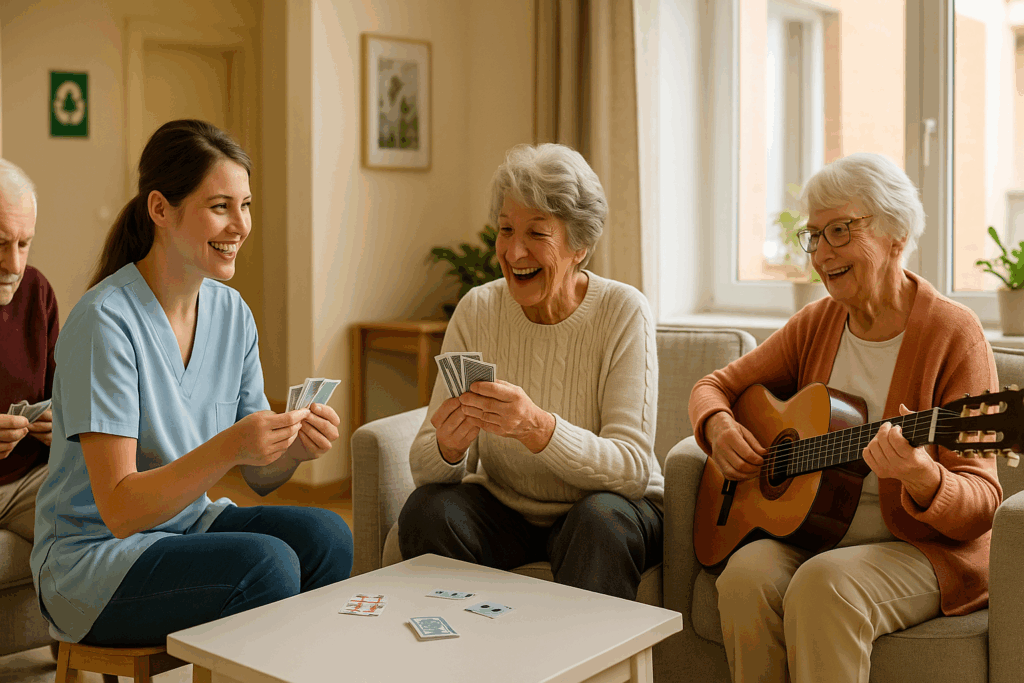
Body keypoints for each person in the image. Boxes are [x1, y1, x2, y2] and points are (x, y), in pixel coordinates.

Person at [30, 120, 353, 646]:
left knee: (329, 538)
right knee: (265, 566)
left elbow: (259, 476)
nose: (241, 225)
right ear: (160, 209)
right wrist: (231, 446)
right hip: (92, 561)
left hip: (187, 527)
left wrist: (292, 452)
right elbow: (120, 509)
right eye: (220, 206)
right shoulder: (104, 323)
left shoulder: (232, 313)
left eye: (245, 205)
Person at [689, 152, 1001, 683]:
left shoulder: (954, 333)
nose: (822, 253)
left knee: (823, 586)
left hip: (920, 549)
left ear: (895, 236)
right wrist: (717, 426)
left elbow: (981, 505)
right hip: (821, 536)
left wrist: (923, 477)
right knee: (744, 576)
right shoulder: (816, 322)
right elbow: (713, 386)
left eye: (840, 230)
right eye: (814, 235)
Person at [399, 143, 663, 601]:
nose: (513, 251)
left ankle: (590, 671)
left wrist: (537, 428)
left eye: (537, 234)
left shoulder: (623, 311)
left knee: (599, 521)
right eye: (505, 229)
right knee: (428, 509)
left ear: (579, 245)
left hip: (608, 508)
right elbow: (424, 467)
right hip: (506, 505)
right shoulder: (478, 309)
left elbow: (633, 469)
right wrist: (449, 446)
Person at [0, 159, 58, 559]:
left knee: (107, 525)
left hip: (30, 479)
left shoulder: (36, 292)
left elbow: (64, 396)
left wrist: (64, 427)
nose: (14, 265)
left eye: (24, 244)